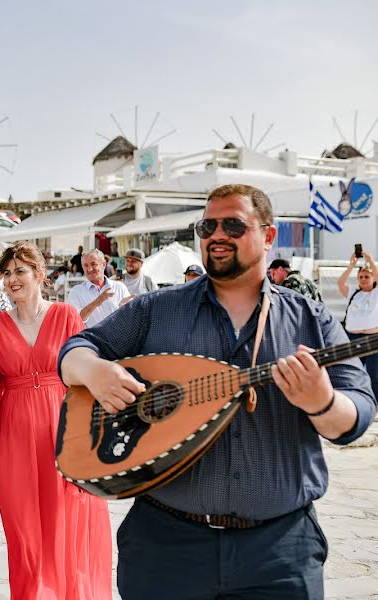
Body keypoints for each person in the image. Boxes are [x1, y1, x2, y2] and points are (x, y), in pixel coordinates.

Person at [59, 184, 376, 599]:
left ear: (267, 235)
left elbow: (358, 410)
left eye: (233, 224)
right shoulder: (157, 309)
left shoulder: (310, 319)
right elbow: (73, 351)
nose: (216, 234)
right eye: (207, 226)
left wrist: (322, 403)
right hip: (165, 546)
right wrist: (95, 371)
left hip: (279, 551)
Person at [0, 241, 112, 599]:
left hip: (64, 430)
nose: (12, 279)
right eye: (6, 273)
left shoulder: (66, 316)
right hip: (14, 436)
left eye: (20, 271)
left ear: (40, 275)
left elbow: (85, 379)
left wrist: (93, 436)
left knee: (68, 522)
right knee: (23, 531)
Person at [337, 251, 378, 399]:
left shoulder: (376, 293)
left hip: (372, 337)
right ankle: (355, 400)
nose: (363, 279)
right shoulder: (354, 293)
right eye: (361, 277)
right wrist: (351, 265)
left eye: (367, 276)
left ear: (373, 278)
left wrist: (370, 261)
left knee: (374, 373)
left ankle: (375, 404)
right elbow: (341, 283)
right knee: (352, 370)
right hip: (353, 337)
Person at [66, 249, 132, 327]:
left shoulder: (120, 287)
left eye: (93, 264)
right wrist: (98, 301)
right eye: (86, 265)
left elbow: (130, 317)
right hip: (89, 339)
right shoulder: (76, 291)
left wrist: (126, 309)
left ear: (103, 265)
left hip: (117, 337)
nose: (89, 269)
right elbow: (74, 319)